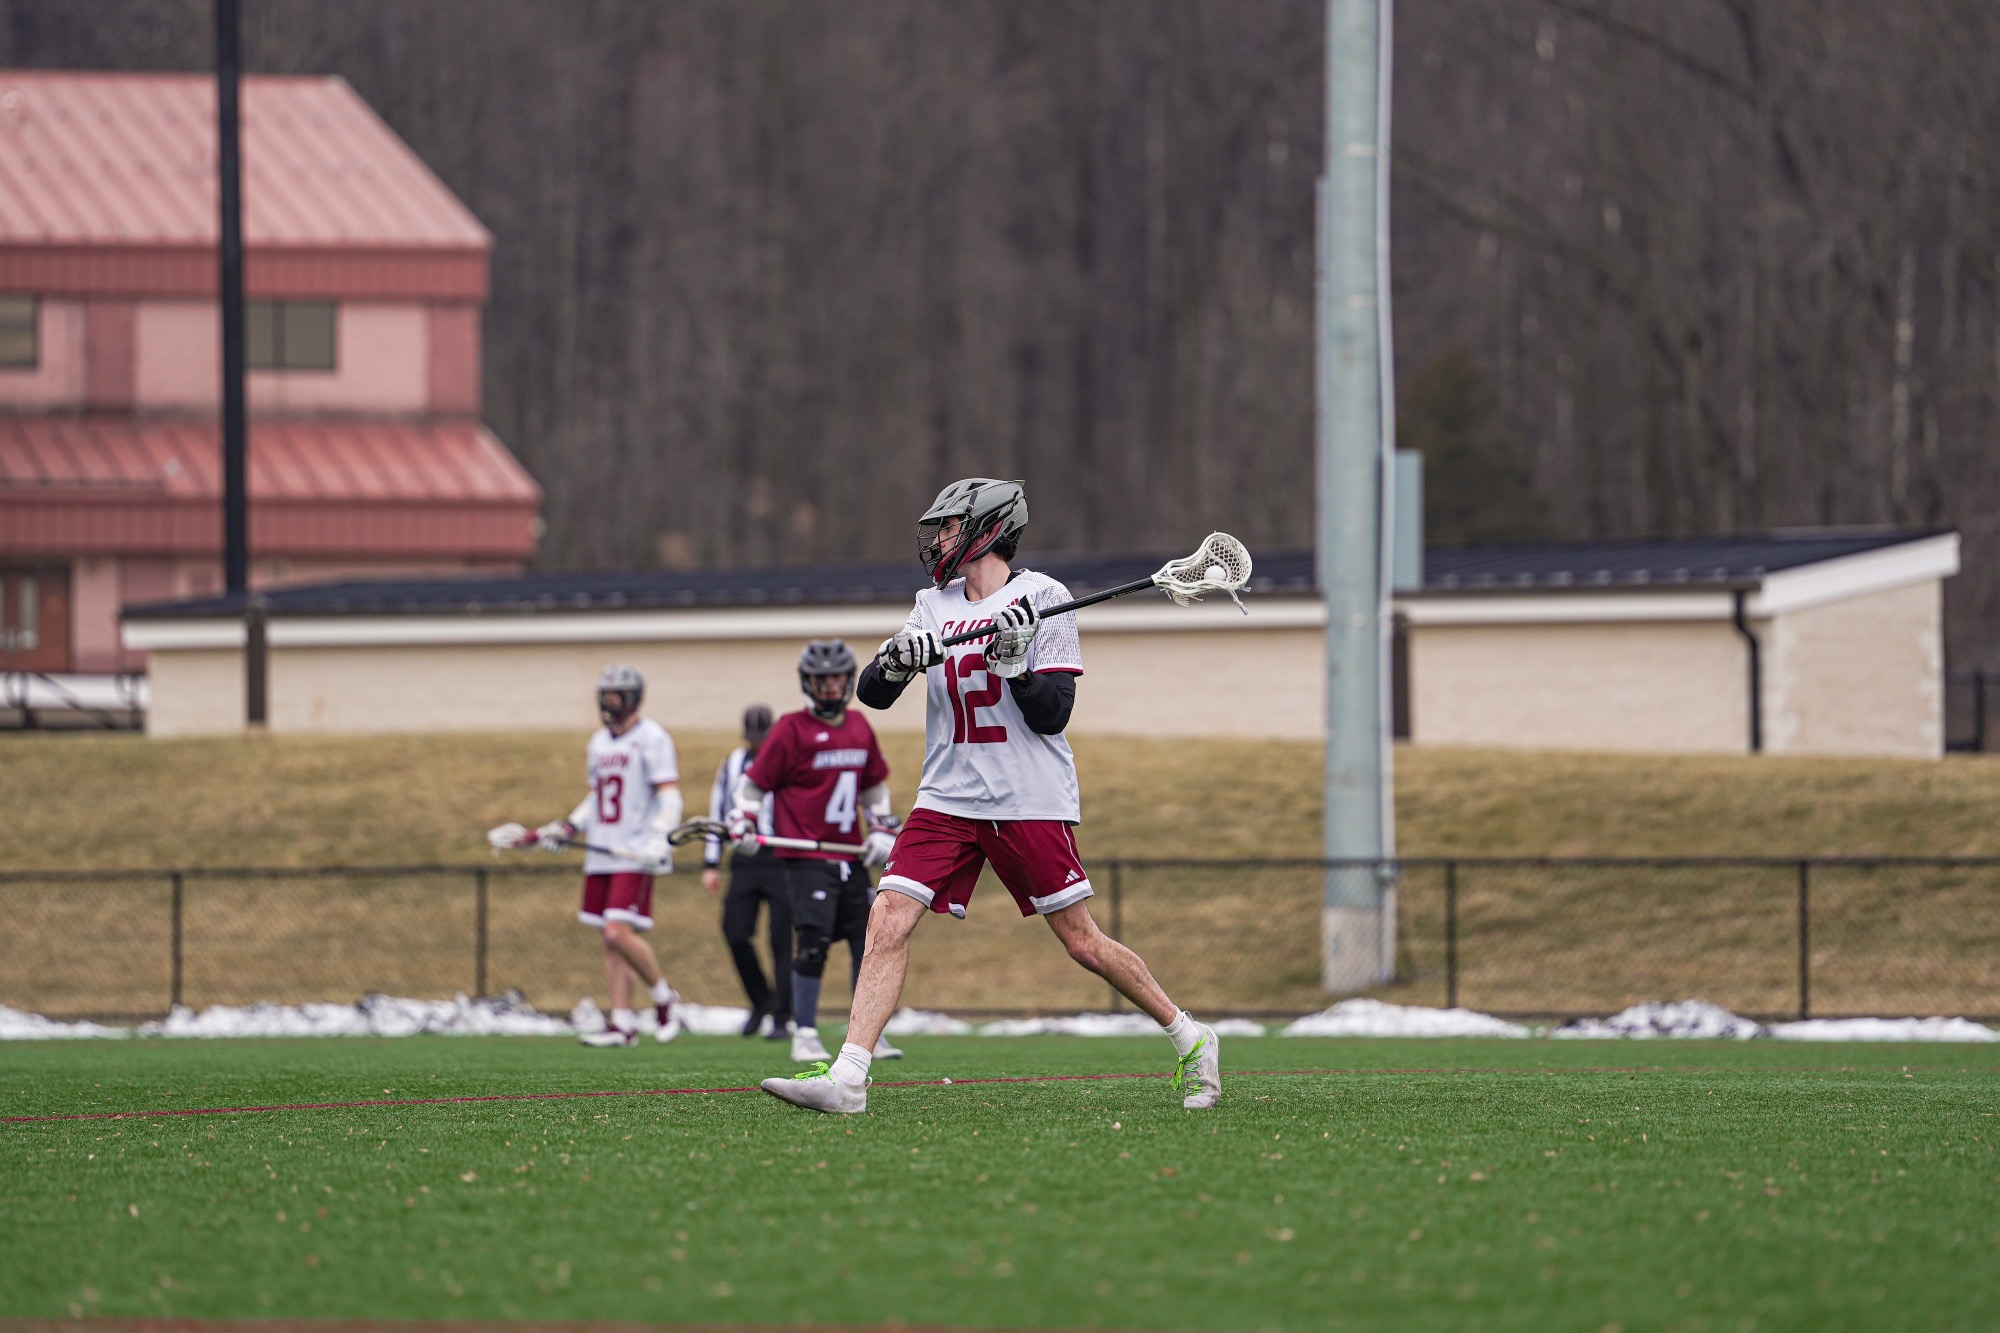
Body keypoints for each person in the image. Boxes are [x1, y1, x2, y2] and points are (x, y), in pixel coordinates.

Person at [760, 478, 1220, 1114]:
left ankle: (1191, 1036)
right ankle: (849, 1078)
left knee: (1082, 941)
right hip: (946, 795)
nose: (939, 541)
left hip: (1025, 797)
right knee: (887, 917)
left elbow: (1053, 713)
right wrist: (897, 661)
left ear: (987, 530)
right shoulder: (932, 604)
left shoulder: (1046, 599)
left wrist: (1015, 665)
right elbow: (871, 692)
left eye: (949, 528)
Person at [727, 639, 904, 1065]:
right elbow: (753, 786)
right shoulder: (790, 729)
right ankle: (803, 1032)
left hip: (850, 855)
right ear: (808, 682)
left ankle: (867, 1035)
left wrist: (880, 825)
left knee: (870, 942)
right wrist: (743, 818)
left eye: (837, 678)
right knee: (812, 942)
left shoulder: (860, 726)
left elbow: (873, 786)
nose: (829, 687)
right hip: (806, 858)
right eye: (821, 679)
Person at [510, 664, 684, 1048]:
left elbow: (670, 795)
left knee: (617, 931)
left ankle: (663, 997)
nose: (609, 703)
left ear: (633, 698)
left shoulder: (652, 738)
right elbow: (597, 798)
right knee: (610, 941)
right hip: (602, 850)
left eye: (616, 696)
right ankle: (622, 1023)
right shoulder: (599, 743)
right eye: (605, 696)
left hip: (634, 850)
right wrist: (568, 827)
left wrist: (660, 838)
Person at [702, 703, 795, 1040]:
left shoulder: (785, 760)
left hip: (780, 855)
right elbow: (719, 810)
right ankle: (762, 1001)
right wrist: (711, 862)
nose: (757, 744)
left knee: (782, 939)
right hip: (744, 858)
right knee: (735, 931)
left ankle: (782, 1017)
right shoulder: (732, 764)